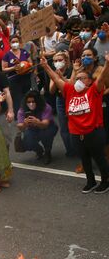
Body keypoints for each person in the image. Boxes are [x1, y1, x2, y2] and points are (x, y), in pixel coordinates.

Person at [41, 51, 109, 193]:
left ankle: (105, 181)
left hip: (94, 132)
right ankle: (90, 181)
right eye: (77, 78)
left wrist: (108, 63)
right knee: (84, 158)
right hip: (76, 133)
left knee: (99, 157)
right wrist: (46, 66)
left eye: (82, 78)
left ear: (90, 81)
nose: (78, 81)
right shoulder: (70, 90)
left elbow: (102, 77)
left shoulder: (94, 91)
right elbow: (56, 78)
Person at [16, 90, 59, 164]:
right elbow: (20, 126)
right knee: (27, 141)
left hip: (47, 127)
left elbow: (45, 124)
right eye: (28, 102)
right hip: (32, 129)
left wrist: (38, 122)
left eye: (33, 101)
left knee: (46, 134)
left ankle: (47, 152)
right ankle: (39, 150)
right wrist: (24, 124)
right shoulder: (22, 110)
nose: (31, 104)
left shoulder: (46, 107)